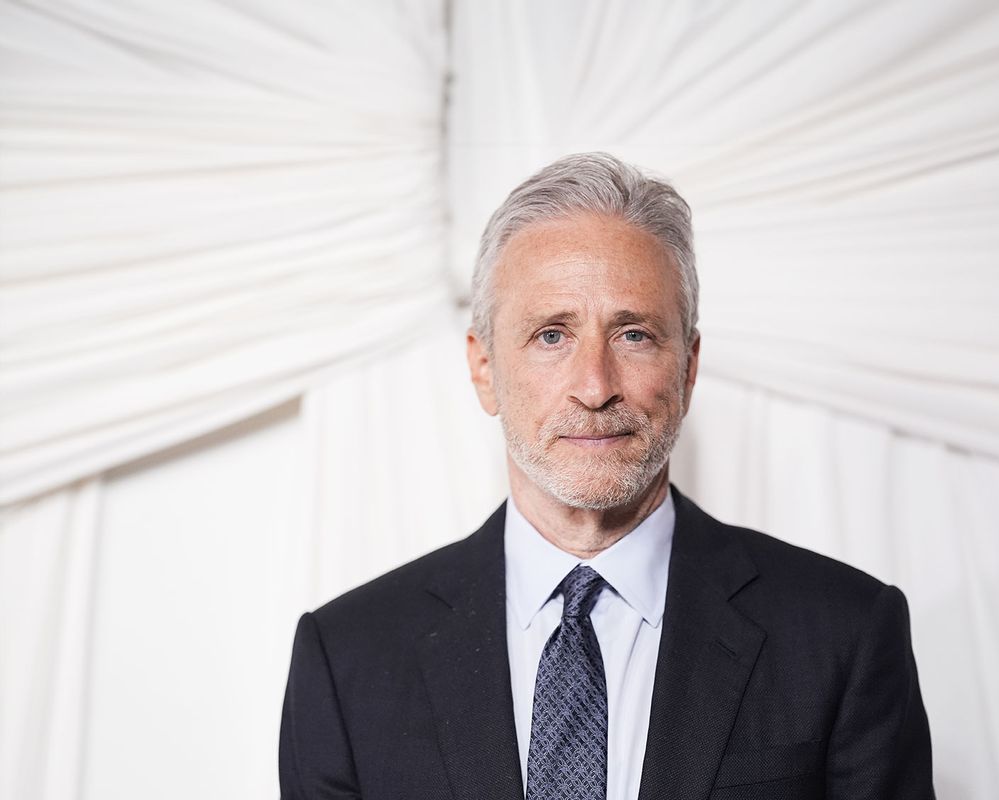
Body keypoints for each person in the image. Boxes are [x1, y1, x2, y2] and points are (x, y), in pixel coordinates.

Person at [279, 153, 934, 799]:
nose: (594, 387)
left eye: (635, 335)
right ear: (484, 370)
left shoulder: (843, 634)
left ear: (689, 366)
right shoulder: (347, 658)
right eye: (552, 336)